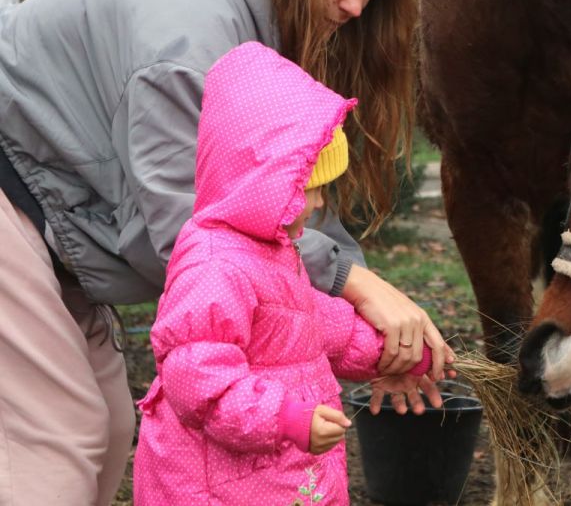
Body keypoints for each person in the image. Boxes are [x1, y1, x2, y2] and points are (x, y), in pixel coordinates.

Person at [0, 0, 450, 504]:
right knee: (58, 443)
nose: (355, 6)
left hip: (50, 224)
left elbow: (283, 193)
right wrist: (356, 283)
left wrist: (374, 330)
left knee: (111, 426)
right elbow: (194, 231)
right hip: (12, 201)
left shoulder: (253, 28)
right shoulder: (190, 45)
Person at [134, 42, 444, 505]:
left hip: (280, 477)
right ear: (260, 180)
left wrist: (394, 353)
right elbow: (200, 382)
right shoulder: (215, 265)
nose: (317, 204)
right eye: (306, 188)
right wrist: (286, 419)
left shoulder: (271, 250)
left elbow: (314, 326)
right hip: (220, 488)